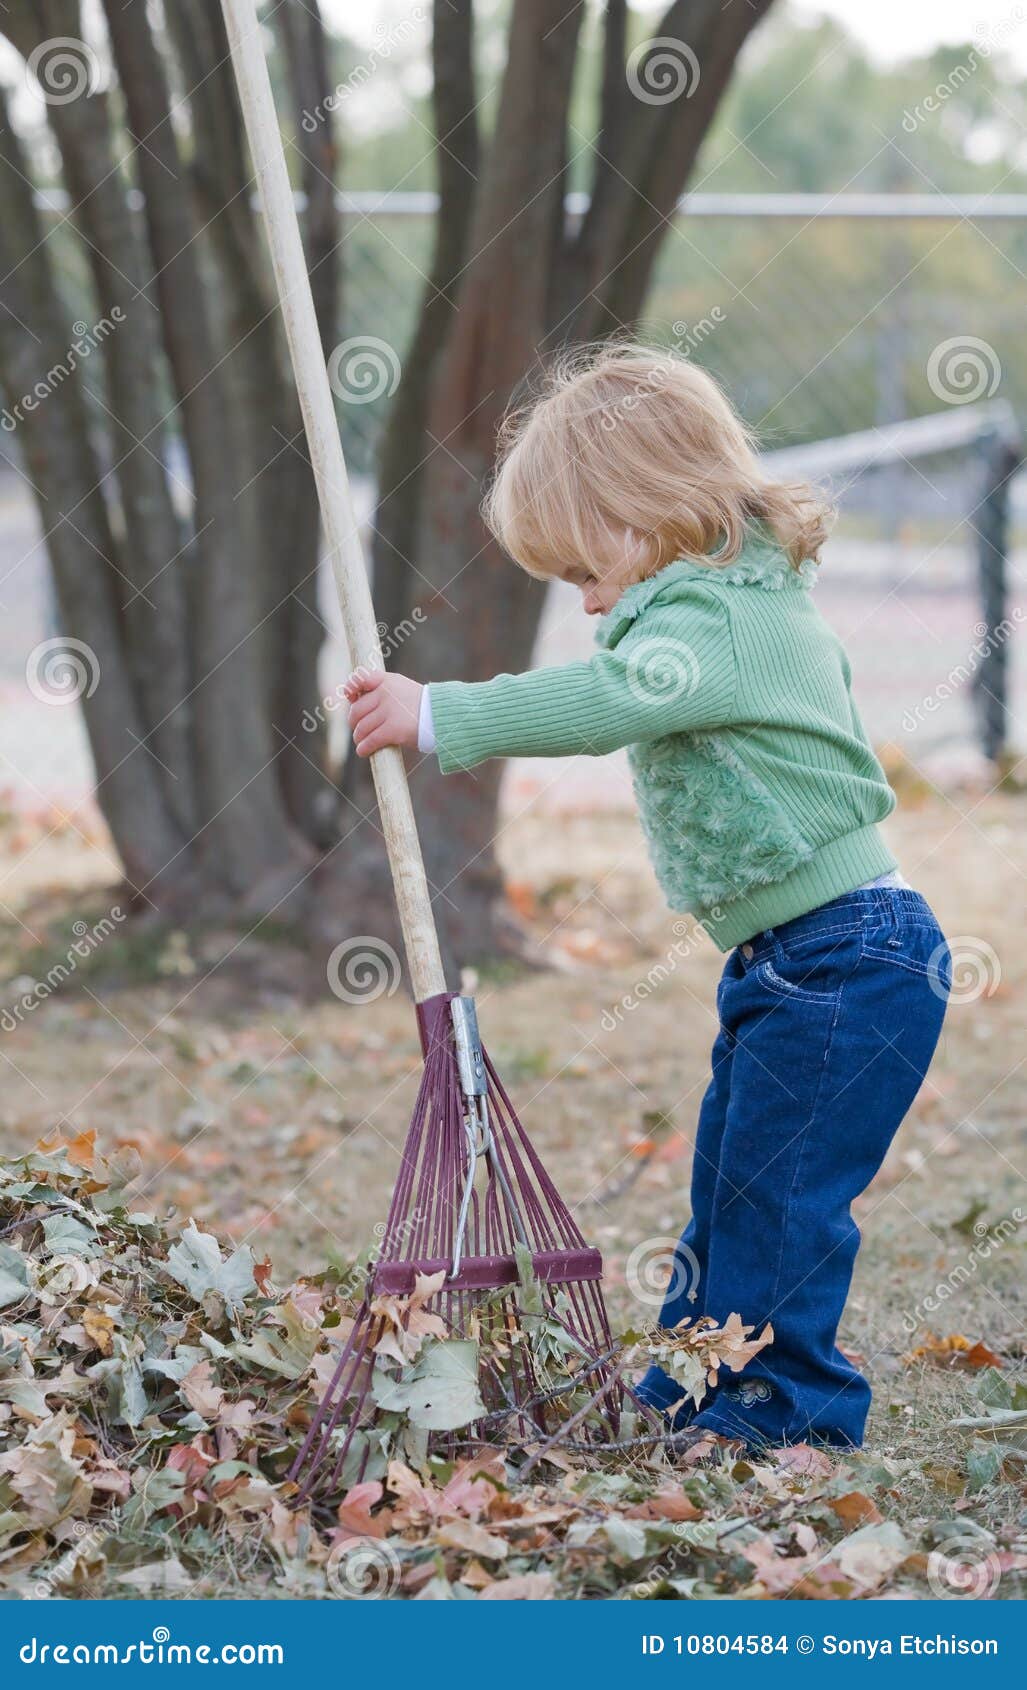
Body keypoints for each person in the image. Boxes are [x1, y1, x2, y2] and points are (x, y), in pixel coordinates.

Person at [344, 343, 951, 1450]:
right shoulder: (725, 602)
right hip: (793, 959)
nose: (583, 600)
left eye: (586, 567)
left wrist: (439, 715)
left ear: (645, 511)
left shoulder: (712, 622)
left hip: (848, 958)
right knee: (729, 1186)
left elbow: (605, 701)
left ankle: (786, 1414)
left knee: (780, 1201)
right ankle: (687, 1380)